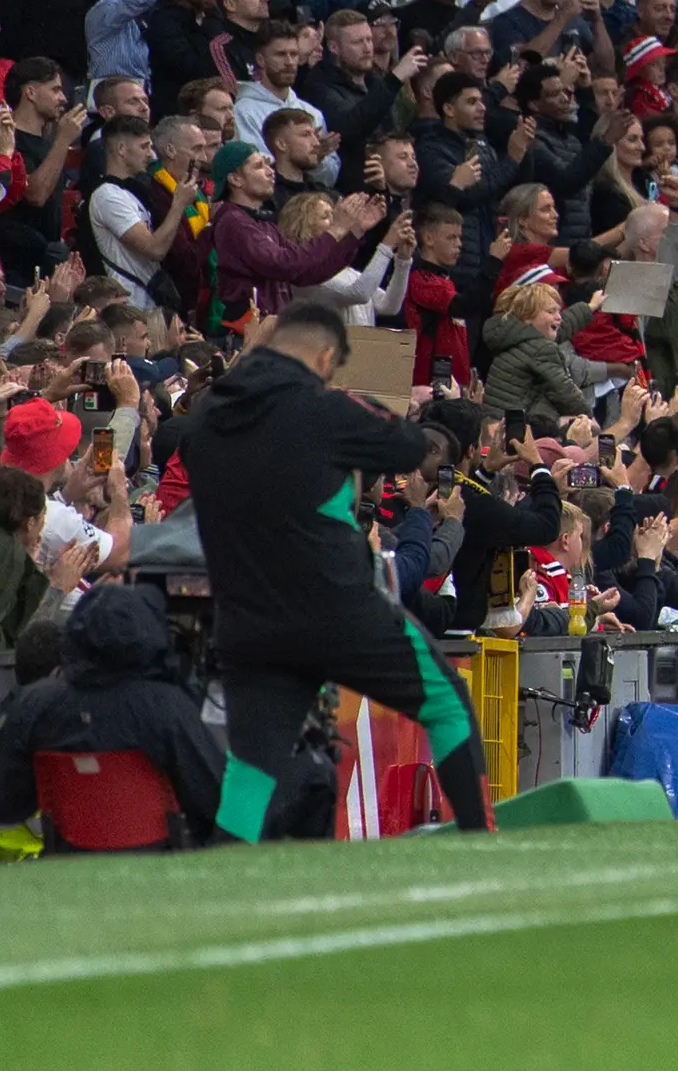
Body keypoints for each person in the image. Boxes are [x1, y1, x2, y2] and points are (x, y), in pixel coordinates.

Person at [180, 289, 494, 840]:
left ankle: (223, 870)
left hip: (248, 618)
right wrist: (361, 406)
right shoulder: (322, 408)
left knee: (252, 766)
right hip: (336, 604)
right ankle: (480, 835)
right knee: (447, 703)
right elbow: (407, 447)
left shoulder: (206, 418)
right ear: (326, 358)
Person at [0, 581, 225, 847]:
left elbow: (4, 806)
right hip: (156, 864)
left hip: (68, 862)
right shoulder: (168, 707)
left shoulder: (34, 705)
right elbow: (213, 801)